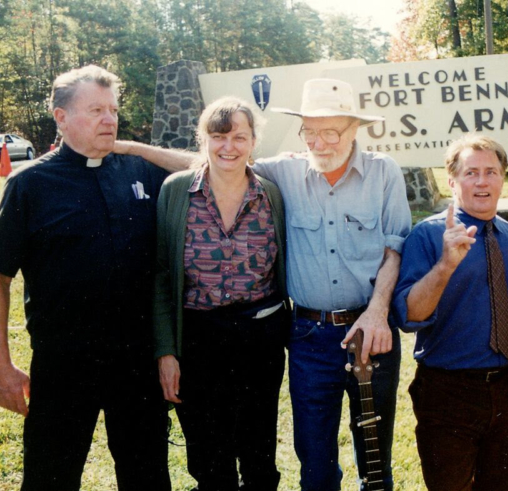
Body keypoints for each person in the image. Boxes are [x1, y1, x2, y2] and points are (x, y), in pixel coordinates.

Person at [114, 78, 412, 491]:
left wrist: (378, 311)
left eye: (332, 132)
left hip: (346, 331)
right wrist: (129, 147)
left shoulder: (368, 175)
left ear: (354, 129)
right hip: (286, 335)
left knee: (371, 455)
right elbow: (207, 165)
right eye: (311, 132)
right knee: (309, 459)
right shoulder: (263, 176)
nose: (321, 143)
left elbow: (395, 246)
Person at [0, 65, 175, 490]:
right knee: (50, 476)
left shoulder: (140, 172)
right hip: (64, 361)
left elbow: (207, 165)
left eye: (113, 110)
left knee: (147, 475)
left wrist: (133, 147)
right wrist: (1, 364)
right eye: (96, 109)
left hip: (137, 360)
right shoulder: (30, 186)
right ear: (60, 117)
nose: (109, 119)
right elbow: (0, 279)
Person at [153, 97, 289, 491]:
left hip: (258, 336)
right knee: (208, 453)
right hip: (198, 335)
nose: (228, 146)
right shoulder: (177, 192)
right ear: (203, 139)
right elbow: (163, 275)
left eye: (239, 137)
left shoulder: (270, 196)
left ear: (253, 142)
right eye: (218, 136)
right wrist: (166, 351)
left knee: (259, 447)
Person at [392, 135, 508, 491]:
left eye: (491, 172)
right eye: (471, 173)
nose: (482, 181)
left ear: (503, 179)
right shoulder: (429, 235)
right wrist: (445, 266)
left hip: (503, 386)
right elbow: (409, 315)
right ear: (452, 181)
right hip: (448, 390)